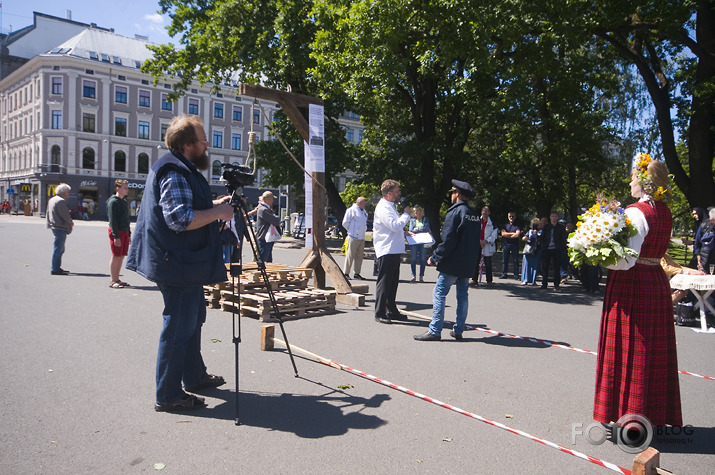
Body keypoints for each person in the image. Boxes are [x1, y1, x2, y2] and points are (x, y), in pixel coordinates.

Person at [126, 115, 234, 412]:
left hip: (181, 261)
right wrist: (218, 214)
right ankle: (169, 394)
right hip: (177, 263)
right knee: (178, 327)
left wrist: (213, 207)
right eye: (202, 141)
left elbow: (181, 209)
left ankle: (193, 377)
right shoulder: (175, 170)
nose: (206, 145)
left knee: (192, 319)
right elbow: (180, 219)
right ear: (188, 145)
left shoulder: (178, 167)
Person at [593, 155, 681, 429]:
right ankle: (650, 413)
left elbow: (626, 259)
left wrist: (598, 255)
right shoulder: (664, 212)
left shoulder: (636, 212)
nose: (630, 183)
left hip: (632, 284)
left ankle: (629, 415)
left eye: (633, 178)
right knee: (653, 349)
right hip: (655, 281)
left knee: (631, 347)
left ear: (643, 182)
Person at [414, 180, 480, 341]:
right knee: (463, 295)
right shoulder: (474, 214)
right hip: (468, 263)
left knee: (439, 293)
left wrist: (435, 257)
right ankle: (458, 330)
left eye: (452, 193)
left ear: (457, 194)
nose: (451, 196)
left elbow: (449, 240)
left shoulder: (455, 213)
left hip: (452, 263)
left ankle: (435, 330)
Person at [373, 179, 412, 324]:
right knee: (384, 282)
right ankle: (379, 312)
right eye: (396, 192)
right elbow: (394, 225)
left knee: (392, 283)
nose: (399, 194)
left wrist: (404, 233)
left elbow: (393, 229)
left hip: (394, 249)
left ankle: (391, 310)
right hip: (387, 249)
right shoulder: (383, 207)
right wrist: (406, 214)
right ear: (389, 193)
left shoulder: (390, 206)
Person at [107, 179, 132, 288]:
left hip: (124, 231)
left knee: (121, 256)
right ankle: (113, 281)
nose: (127, 190)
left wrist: (129, 233)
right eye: (125, 188)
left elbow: (126, 219)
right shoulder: (113, 201)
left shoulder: (124, 201)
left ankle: (117, 278)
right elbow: (113, 220)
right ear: (118, 188)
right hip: (117, 231)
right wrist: (116, 236)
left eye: (127, 187)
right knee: (116, 255)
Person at [46, 183, 74, 275]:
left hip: (54, 225)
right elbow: (65, 215)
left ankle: (56, 267)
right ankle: (55, 269)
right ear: (64, 192)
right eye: (68, 192)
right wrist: (70, 222)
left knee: (58, 248)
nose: (68, 194)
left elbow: (48, 213)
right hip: (60, 226)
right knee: (59, 249)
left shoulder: (52, 200)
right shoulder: (61, 201)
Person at [539, 211, 567, 290]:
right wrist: (543, 246)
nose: (554, 218)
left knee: (556, 267)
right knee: (545, 267)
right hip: (547, 249)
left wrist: (561, 247)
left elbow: (563, 238)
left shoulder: (560, 227)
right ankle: (544, 283)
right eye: (552, 216)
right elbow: (542, 238)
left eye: (555, 216)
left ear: (557, 217)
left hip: (556, 249)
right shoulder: (547, 227)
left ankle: (556, 284)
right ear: (550, 217)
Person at [470, 205, 498, 286]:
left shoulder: (492, 223)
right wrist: (479, 241)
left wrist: (486, 241)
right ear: (481, 212)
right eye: (483, 210)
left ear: (489, 213)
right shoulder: (477, 221)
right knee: (476, 262)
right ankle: (474, 279)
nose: (485, 212)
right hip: (478, 243)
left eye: (486, 211)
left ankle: (489, 280)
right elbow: (473, 232)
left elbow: (494, 235)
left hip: (487, 244)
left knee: (488, 263)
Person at [342, 196, 369, 280]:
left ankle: (357, 273)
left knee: (359, 256)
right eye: (364, 202)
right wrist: (352, 231)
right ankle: (346, 273)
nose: (366, 204)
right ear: (359, 203)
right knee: (350, 256)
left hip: (361, 237)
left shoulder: (364, 211)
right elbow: (345, 223)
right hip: (353, 236)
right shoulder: (351, 210)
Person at [255, 190, 282, 263]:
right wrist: (277, 217)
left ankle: (265, 272)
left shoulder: (265, 209)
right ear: (268, 199)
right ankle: (260, 272)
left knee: (268, 259)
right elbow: (275, 220)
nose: (273, 201)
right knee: (263, 259)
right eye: (272, 199)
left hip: (267, 237)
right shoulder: (263, 209)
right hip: (264, 237)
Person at [407, 205, 431, 282]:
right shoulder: (412, 220)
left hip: (423, 241)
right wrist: (418, 229)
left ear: (420, 211)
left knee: (423, 258)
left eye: (417, 210)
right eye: (414, 211)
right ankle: (413, 275)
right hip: (414, 241)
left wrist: (417, 229)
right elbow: (411, 230)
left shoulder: (425, 219)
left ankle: (421, 276)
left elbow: (427, 228)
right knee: (413, 258)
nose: (415, 212)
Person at [520, 217, 542, 285]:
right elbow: (523, 238)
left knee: (535, 265)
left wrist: (537, 235)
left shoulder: (541, 232)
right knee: (527, 264)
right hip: (528, 249)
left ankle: (533, 280)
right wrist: (528, 237)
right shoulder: (529, 231)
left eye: (536, 225)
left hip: (537, 250)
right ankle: (525, 280)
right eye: (534, 225)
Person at [694, 208, 715, 274]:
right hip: (706, 260)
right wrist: (698, 258)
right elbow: (697, 243)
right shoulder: (704, 226)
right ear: (711, 220)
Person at [500, 212, 521, 278]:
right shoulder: (505, 225)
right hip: (506, 244)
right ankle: (504, 273)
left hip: (515, 245)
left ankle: (516, 275)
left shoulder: (517, 225)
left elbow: (517, 234)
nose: (511, 217)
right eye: (510, 216)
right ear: (508, 217)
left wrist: (507, 234)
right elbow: (503, 234)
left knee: (515, 260)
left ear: (515, 217)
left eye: (513, 216)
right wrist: (512, 234)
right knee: (505, 260)